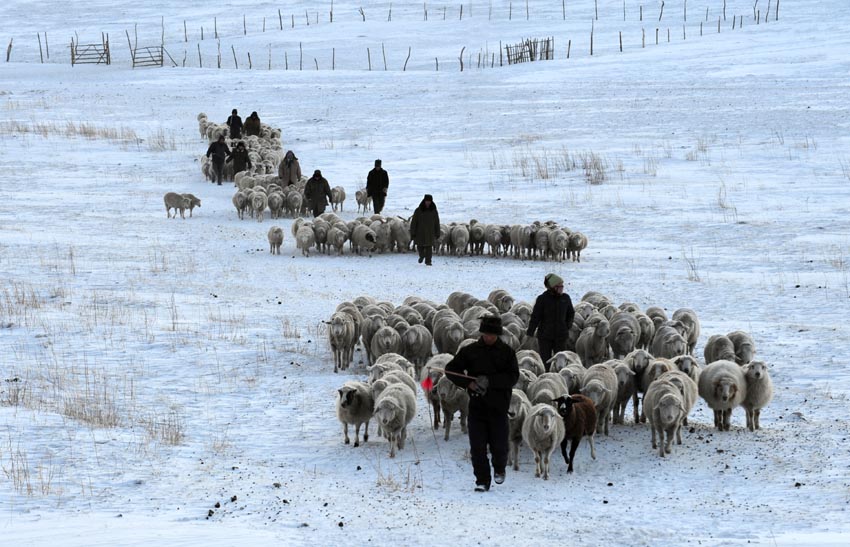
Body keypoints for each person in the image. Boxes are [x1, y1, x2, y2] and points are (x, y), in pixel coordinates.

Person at [446, 315, 519, 493]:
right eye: (486, 334)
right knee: (477, 447)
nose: (489, 338)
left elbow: (513, 376)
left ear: (498, 334)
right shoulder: (470, 351)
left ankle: (499, 468)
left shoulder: (507, 352)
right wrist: (468, 383)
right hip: (477, 406)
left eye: (492, 335)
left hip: (499, 406)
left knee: (499, 445)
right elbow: (450, 369)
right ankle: (482, 480)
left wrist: (490, 381)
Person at [526, 273, 575, 369]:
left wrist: (567, 326)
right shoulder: (542, 299)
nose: (562, 288)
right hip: (545, 336)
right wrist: (530, 332)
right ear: (553, 287)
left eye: (562, 286)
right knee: (545, 361)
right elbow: (535, 317)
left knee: (561, 361)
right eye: (559, 286)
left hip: (561, 336)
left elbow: (571, 313)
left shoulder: (565, 298)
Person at [409, 194, 440, 266]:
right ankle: (422, 256)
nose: (428, 202)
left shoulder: (433, 211)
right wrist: (413, 232)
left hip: (430, 232)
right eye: (427, 201)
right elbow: (414, 222)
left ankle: (428, 261)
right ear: (424, 201)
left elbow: (437, 222)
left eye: (429, 201)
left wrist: (437, 232)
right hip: (420, 231)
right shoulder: (418, 210)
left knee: (429, 247)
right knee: (420, 246)